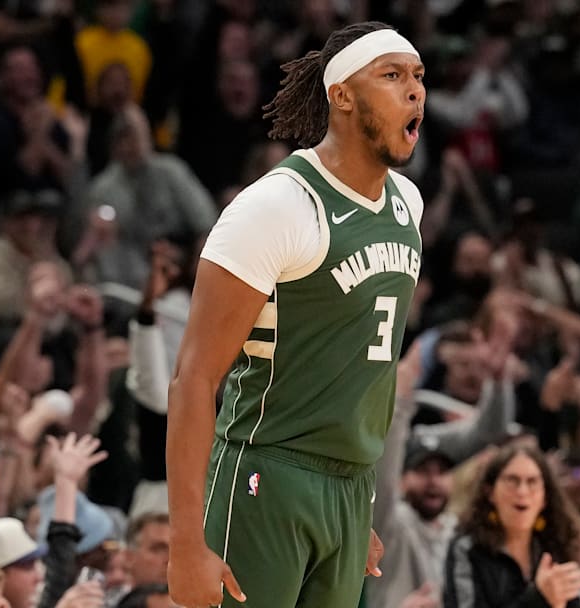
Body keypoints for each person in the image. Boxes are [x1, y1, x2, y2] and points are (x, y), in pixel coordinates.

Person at [165, 21, 426, 608]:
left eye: (417, 76)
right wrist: (184, 540)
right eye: (391, 75)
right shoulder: (278, 206)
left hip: (351, 485)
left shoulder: (407, 204)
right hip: (267, 474)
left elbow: (357, 363)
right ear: (342, 95)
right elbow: (193, 379)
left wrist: (350, 508)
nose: (414, 90)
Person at [442, 442, 580, 608]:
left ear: (545, 498)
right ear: (490, 492)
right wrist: (538, 599)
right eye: (512, 480)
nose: (522, 492)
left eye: (532, 482)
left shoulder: (556, 545)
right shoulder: (467, 549)